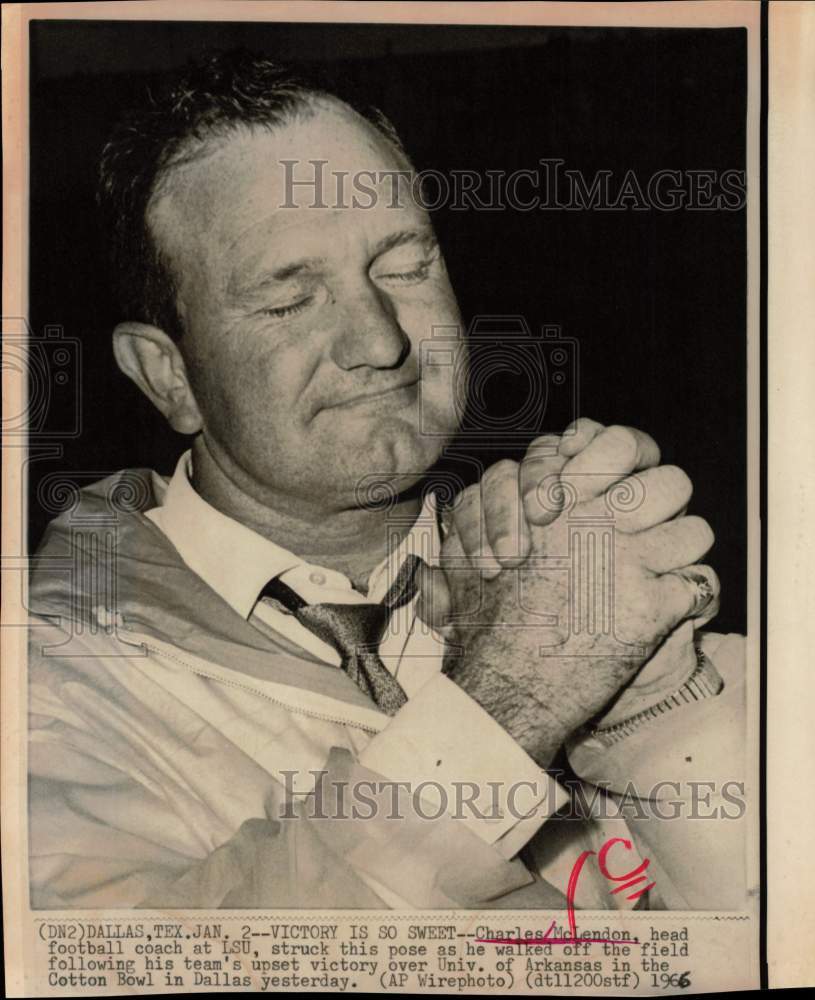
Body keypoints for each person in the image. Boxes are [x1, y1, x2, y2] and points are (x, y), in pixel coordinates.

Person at [28, 50, 748, 910]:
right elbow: (125, 967)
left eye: (404, 267)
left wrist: (658, 705)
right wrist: (510, 701)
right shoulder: (48, 689)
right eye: (288, 299)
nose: (381, 341)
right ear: (166, 375)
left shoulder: (561, 569)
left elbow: (771, 936)